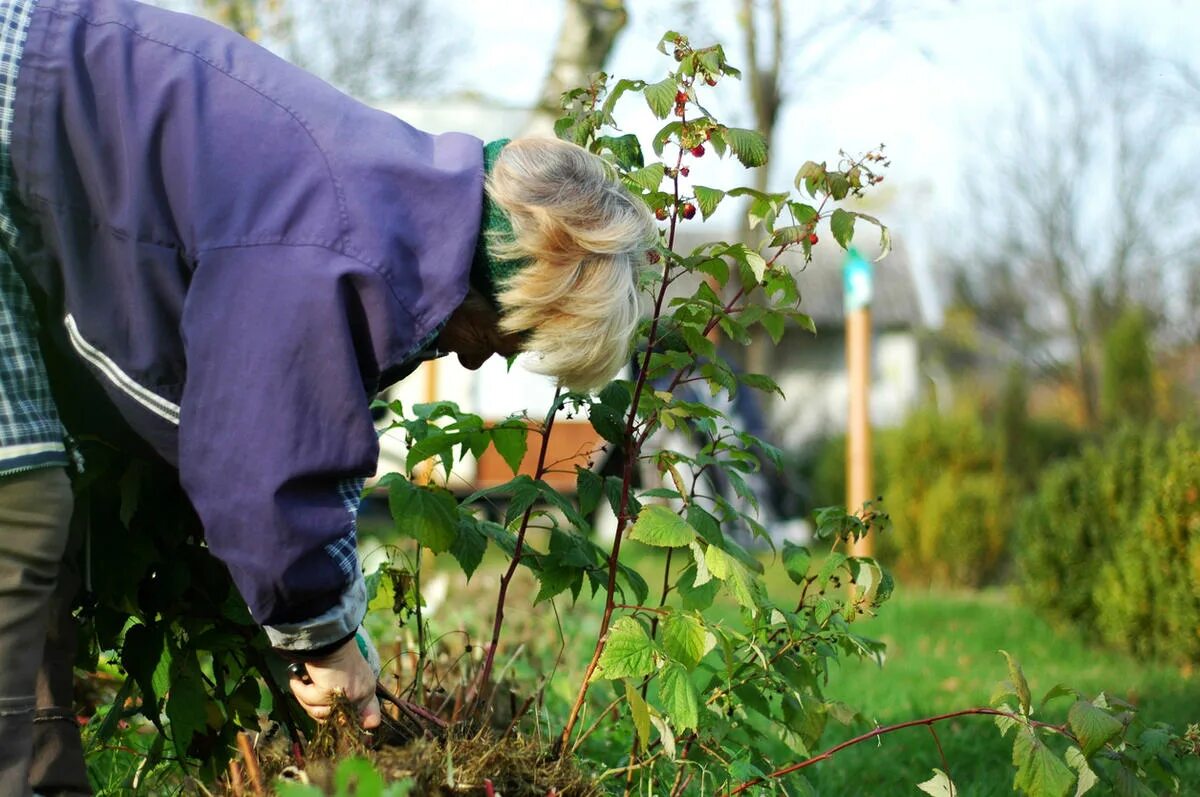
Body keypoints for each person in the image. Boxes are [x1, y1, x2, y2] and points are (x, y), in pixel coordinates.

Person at [0, 0, 656, 793]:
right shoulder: (344, 242)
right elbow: (257, 458)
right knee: (20, 514)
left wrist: (332, 625)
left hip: (37, 127)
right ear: (520, 284)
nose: (500, 358)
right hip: (14, 118)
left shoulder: (403, 210)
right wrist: (325, 641)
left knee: (27, 510)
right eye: (524, 339)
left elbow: (298, 427)